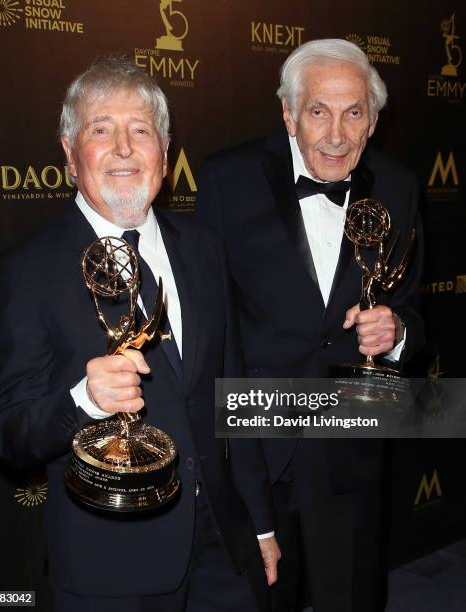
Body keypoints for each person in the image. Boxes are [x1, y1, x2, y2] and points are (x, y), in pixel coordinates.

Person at [0, 57, 280, 612]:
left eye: (141, 130)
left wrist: (260, 522)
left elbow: (231, 393)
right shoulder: (27, 269)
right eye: (101, 130)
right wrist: (84, 400)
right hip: (112, 566)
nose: (123, 148)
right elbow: (11, 435)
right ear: (71, 153)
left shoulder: (203, 248)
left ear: (165, 156)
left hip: (223, 547)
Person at [196, 39, 424, 612]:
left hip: (351, 444)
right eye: (318, 111)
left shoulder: (399, 187)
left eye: (354, 113)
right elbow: (208, 324)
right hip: (254, 447)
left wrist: (395, 334)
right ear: (288, 112)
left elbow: (415, 310)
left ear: (373, 120)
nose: (336, 134)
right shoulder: (228, 179)